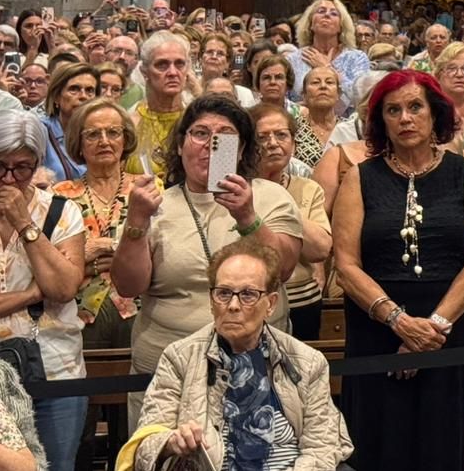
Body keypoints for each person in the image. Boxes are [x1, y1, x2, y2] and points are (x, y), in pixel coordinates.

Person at [332, 69, 464, 471]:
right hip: (375, 332)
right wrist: (400, 322)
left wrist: (433, 328)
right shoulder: (359, 178)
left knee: (438, 452)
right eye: (393, 110)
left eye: (415, 107)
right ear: (380, 121)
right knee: (380, 450)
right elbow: (345, 265)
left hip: (446, 332)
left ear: (435, 112)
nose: (405, 118)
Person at [132, 235, 353, 471]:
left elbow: (323, 451)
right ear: (212, 300)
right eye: (223, 293)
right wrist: (170, 443)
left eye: (248, 295)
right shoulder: (179, 358)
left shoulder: (307, 362)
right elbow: (143, 451)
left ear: (271, 303)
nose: (233, 305)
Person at [112, 95, 306, 401]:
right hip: (168, 370)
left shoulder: (270, 197)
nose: (210, 144)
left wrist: (247, 217)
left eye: (225, 137)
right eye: (200, 133)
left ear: (240, 149)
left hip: (254, 364)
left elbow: (280, 271)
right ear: (180, 145)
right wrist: (137, 221)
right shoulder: (155, 204)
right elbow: (127, 286)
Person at [0, 109, 87, 471]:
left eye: (21, 168)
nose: (8, 179)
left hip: (55, 365)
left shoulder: (61, 212)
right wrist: (33, 292)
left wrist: (24, 224)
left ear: (36, 165)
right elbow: (50, 286)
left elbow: (65, 289)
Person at [53, 98, 140, 350]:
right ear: (79, 144)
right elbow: (49, 264)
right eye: (92, 134)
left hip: (139, 314)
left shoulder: (147, 189)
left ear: (125, 139)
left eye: (113, 132)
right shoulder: (59, 196)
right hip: (76, 317)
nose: (104, 141)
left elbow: (164, 252)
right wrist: (84, 260)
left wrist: (112, 250)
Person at [253, 104, 333, 341]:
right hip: (253, 300)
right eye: (262, 137)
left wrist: (279, 197)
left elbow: (319, 249)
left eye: (281, 135)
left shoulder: (308, 188)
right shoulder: (239, 190)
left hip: (302, 301)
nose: (272, 143)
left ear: (293, 143)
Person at [286, 0, 369, 114]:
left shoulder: (357, 58)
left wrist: (327, 67)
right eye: (321, 11)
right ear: (310, 24)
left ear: (341, 25)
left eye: (334, 13)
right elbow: (284, 100)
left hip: (346, 125)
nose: (327, 15)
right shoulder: (293, 59)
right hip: (301, 123)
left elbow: (362, 97)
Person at [129, 31, 191, 177]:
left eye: (179, 64)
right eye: (162, 65)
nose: (172, 72)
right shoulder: (130, 124)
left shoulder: (196, 120)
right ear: (144, 72)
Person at [37, 61, 95, 181]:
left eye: (90, 90)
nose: (83, 96)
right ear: (57, 96)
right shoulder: (39, 131)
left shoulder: (101, 134)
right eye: (74, 89)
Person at [293, 65, 344, 168]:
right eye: (315, 82)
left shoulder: (349, 128)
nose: (323, 86)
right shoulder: (292, 128)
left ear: (338, 94)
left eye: (329, 82)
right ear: (304, 95)